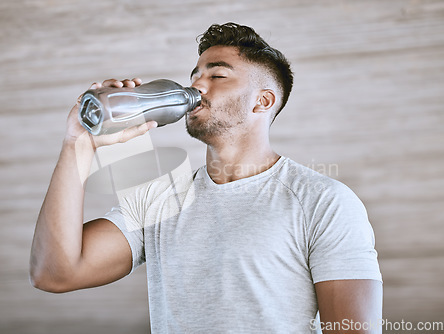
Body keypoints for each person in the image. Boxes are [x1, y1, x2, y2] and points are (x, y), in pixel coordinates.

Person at [30, 23, 383, 333]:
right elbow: (55, 273)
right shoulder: (159, 200)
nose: (198, 86)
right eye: (195, 76)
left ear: (262, 101)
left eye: (217, 76)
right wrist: (77, 142)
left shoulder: (322, 200)